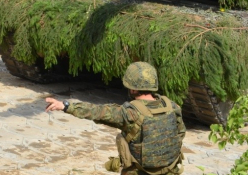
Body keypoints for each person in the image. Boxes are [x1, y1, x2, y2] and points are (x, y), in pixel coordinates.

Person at [45, 62, 185, 175]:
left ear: (133, 89)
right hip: (171, 170)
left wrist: (65, 106)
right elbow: (180, 133)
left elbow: (97, 112)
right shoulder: (172, 107)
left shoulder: (130, 113)